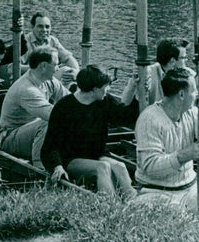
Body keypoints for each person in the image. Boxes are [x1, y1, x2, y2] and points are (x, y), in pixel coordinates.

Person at [132, 67, 199, 229]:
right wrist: (184, 155)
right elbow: (149, 167)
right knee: (186, 222)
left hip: (190, 190)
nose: (198, 96)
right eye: (194, 91)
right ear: (181, 95)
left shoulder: (192, 113)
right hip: (155, 192)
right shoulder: (149, 119)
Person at [41, 65, 137, 200]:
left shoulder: (104, 101)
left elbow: (125, 117)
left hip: (96, 155)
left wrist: (134, 87)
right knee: (102, 167)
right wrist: (57, 166)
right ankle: (109, 206)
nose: (108, 89)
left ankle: (132, 202)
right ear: (95, 89)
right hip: (70, 159)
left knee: (120, 166)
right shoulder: (64, 107)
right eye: (105, 86)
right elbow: (50, 145)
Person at [0, 46, 69, 168]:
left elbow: (69, 101)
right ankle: (39, 166)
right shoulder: (27, 89)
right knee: (47, 122)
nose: (58, 68)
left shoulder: (49, 81)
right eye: (56, 64)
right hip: (10, 139)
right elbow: (54, 116)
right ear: (43, 66)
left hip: (33, 135)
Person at [121, 38, 189, 107]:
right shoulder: (148, 74)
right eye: (183, 58)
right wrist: (133, 82)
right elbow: (124, 102)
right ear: (173, 60)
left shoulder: (187, 74)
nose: (186, 60)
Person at [22, 12, 79, 86]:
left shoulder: (52, 41)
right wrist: (41, 68)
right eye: (40, 26)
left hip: (49, 77)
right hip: (31, 79)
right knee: (64, 71)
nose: (44, 30)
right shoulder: (25, 42)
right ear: (32, 27)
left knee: (68, 72)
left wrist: (76, 71)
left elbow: (68, 58)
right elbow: (13, 67)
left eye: (47, 27)